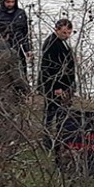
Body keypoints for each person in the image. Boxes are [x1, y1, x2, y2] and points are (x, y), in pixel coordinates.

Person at [38, 19, 76, 149]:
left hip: (64, 84)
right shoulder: (52, 44)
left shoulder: (62, 43)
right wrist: (57, 87)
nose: (67, 35)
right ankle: (48, 141)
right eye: (64, 32)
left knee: (61, 113)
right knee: (52, 113)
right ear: (57, 30)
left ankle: (59, 138)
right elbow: (48, 68)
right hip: (55, 86)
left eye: (69, 33)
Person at [0, 0, 32, 76]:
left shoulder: (20, 14)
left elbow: (24, 33)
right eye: (8, 2)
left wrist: (27, 49)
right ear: (3, 2)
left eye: (12, 2)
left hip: (17, 46)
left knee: (21, 71)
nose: (10, 4)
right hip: (0, 48)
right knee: (4, 73)